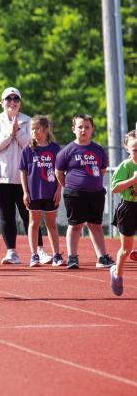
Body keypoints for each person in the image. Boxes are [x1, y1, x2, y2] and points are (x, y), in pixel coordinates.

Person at [0, 87, 50, 265]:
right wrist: (9, 134)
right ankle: (11, 252)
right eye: (8, 99)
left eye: (16, 99)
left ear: (20, 103)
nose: (12, 102)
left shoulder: (28, 121)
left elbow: (32, 146)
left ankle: (39, 250)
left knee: (30, 215)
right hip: (3, 177)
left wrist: (18, 132)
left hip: (26, 178)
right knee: (6, 216)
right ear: (1, 102)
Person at [55, 114, 114, 270]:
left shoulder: (99, 150)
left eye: (87, 127)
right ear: (73, 129)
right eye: (80, 127)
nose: (83, 130)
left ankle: (102, 257)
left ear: (92, 129)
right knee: (75, 225)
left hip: (96, 193)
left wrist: (92, 184)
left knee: (96, 225)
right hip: (75, 194)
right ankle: (72, 258)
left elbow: (102, 170)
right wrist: (69, 186)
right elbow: (59, 173)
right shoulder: (66, 151)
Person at [19, 115, 63, 267]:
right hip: (34, 193)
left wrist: (59, 190)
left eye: (37, 129)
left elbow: (60, 171)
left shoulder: (55, 149)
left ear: (45, 129)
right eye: (31, 129)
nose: (34, 132)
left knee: (51, 224)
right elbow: (23, 171)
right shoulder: (28, 149)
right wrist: (25, 192)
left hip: (50, 192)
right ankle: (34, 255)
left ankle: (57, 255)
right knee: (34, 223)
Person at [109, 130, 137, 296]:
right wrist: (133, 180)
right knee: (126, 250)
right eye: (135, 149)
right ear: (127, 149)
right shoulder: (126, 166)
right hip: (128, 208)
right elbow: (114, 188)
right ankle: (117, 274)